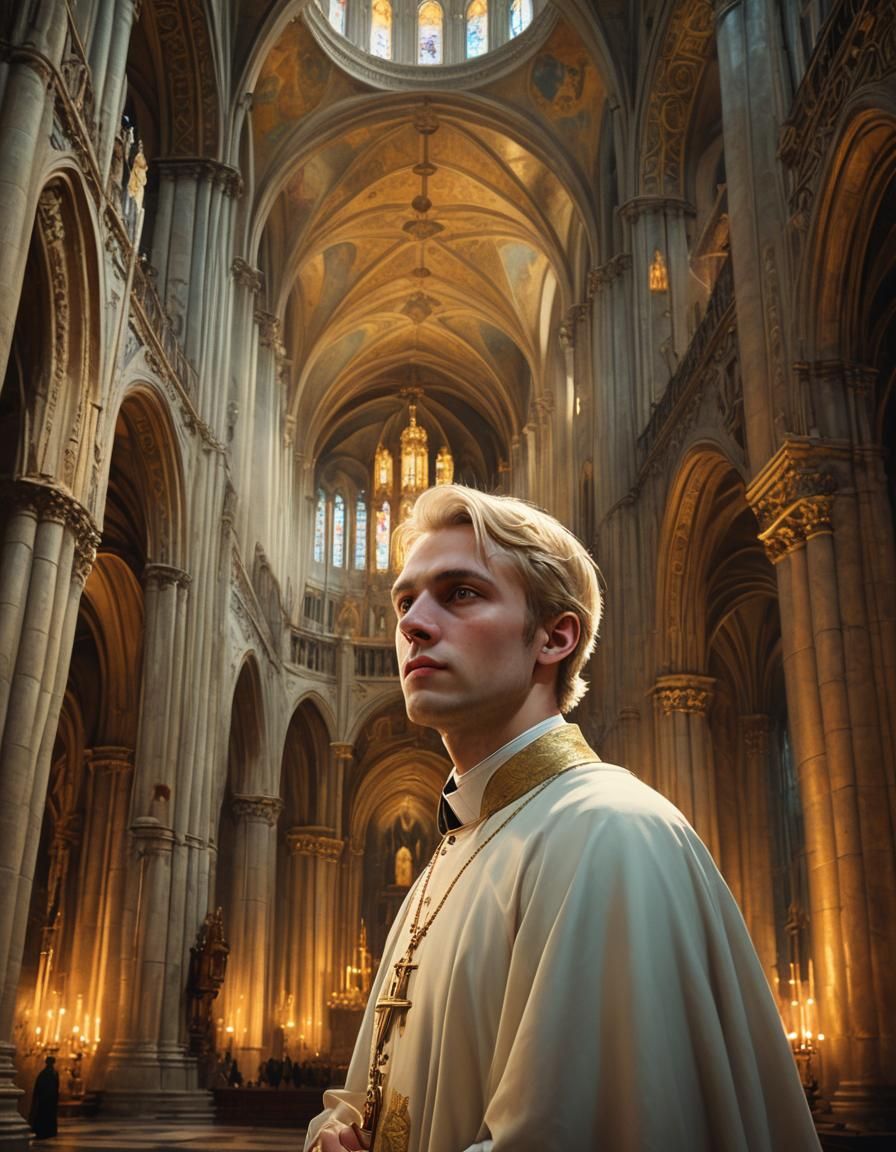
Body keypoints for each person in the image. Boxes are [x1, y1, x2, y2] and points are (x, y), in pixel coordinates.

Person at [305, 485, 821, 1152]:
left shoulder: (611, 832)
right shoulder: (441, 867)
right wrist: (334, 1135)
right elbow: (367, 1094)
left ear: (555, 636)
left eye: (459, 592)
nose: (412, 623)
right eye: (405, 600)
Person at [28, 1054, 59, 1140]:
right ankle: (43, 1131)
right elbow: (39, 1087)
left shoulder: (54, 1073)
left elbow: (56, 1086)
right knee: (43, 1115)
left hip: (51, 1099)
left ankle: (50, 1131)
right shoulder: (44, 1073)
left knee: (49, 1115)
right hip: (45, 1099)